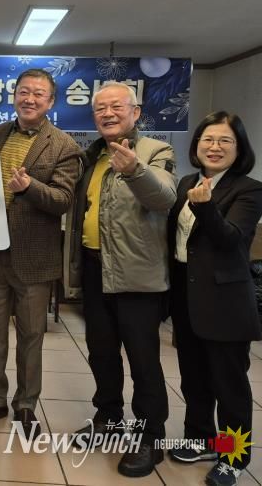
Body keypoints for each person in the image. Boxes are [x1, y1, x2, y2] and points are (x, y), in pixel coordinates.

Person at [66, 81, 176, 477]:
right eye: (101, 108)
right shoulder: (92, 155)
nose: (108, 113)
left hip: (138, 277)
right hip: (95, 270)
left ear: (136, 113)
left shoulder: (156, 152)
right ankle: (108, 419)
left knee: (143, 361)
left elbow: (164, 198)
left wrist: (135, 171)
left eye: (117, 106)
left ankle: (150, 438)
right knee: (101, 353)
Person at [0, 69, 82, 436]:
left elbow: (63, 200)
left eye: (38, 94)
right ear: (14, 95)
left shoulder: (64, 145)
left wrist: (30, 186)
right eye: (23, 91)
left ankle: (26, 404)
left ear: (51, 102)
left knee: (31, 337)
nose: (29, 98)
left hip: (34, 259)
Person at [167, 111, 262, 486]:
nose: (215, 147)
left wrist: (206, 206)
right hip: (187, 299)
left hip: (226, 304)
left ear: (239, 148)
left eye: (225, 140)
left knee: (230, 386)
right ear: (197, 145)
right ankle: (201, 439)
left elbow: (231, 240)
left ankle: (233, 456)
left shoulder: (250, 189)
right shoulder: (187, 182)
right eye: (208, 139)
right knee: (194, 379)